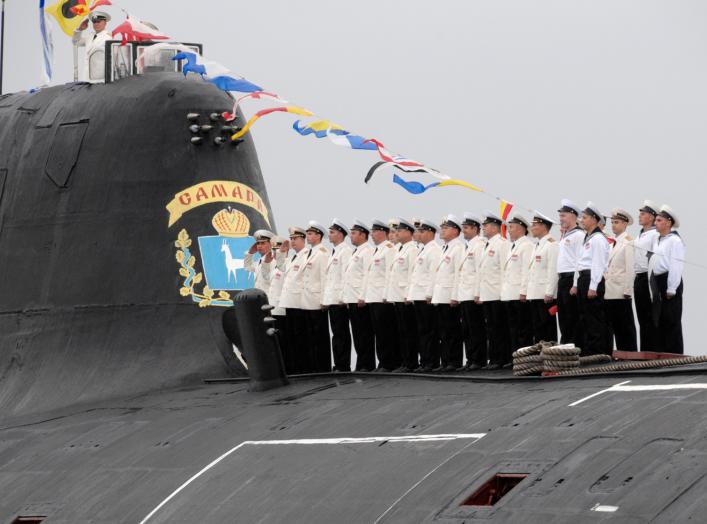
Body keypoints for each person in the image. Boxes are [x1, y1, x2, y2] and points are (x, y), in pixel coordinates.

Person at [407, 219, 443, 371]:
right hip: (419, 295)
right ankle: (425, 360)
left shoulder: (433, 250)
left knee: (429, 331)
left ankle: (431, 362)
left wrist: (429, 295)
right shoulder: (424, 249)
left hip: (425, 297)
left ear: (430, 233)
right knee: (423, 331)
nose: (418, 234)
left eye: (422, 232)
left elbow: (433, 274)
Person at [477, 211, 511, 369]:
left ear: (495, 227)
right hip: (487, 293)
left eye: (486, 225)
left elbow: (505, 270)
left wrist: (503, 292)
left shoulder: (502, 244)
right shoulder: (487, 244)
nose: (483, 228)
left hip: (497, 293)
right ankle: (494, 358)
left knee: (499, 327)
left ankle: (502, 358)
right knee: (491, 328)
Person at [649, 205, 685, 354]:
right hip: (657, 281)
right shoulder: (658, 240)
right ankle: (662, 351)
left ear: (668, 223)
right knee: (659, 318)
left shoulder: (674, 240)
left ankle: (674, 353)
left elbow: (676, 265)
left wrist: (671, 288)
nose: (655, 223)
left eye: (659, 220)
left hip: (669, 280)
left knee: (672, 319)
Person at [576, 203, 611, 356]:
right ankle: (588, 350)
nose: (581, 220)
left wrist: (593, 286)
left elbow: (598, 263)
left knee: (594, 318)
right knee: (584, 317)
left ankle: (597, 351)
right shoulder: (588, 237)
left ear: (594, 219)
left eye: (584, 218)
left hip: (592, 279)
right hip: (584, 278)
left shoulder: (598, 239)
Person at [365, 220, 399, 372]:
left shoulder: (389, 249)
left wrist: (387, 295)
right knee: (379, 332)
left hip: (383, 298)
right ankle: (383, 362)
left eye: (374, 231)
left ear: (382, 232)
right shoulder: (377, 250)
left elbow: (389, 274)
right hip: (373, 296)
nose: (372, 234)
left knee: (387, 332)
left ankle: (389, 362)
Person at [432, 215, 466, 371]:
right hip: (440, 295)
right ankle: (445, 361)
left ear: (455, 231)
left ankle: (454, 361)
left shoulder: (458, 248)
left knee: (452, 331)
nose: (442, 231)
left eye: (446, 228)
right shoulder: (444, 248)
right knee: (443, 332)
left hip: (449, 296)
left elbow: (458, 273)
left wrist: (455, 296)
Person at [386, 218, 419, 372]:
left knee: (409, 331)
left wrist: (408, 295)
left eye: (399, 231)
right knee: (402, 331)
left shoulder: (412, 249)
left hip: (405, 296)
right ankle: (405, 361)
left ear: (408, 232)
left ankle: (411, 362)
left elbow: (413, 273)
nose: (396, 233)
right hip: (397, 295)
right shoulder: (400, 249)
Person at [455, 212, 487, 370]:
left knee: (476, 329)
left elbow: (479, 271)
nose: (464, 231)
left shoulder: (480, 245)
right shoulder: (467, 247)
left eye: (467, 228)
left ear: (475, 229)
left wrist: (478, 293)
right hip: (464, 294)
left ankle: (478, 359)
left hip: (473, 294)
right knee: (467, 330)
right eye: (463, 228)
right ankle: (470, 359)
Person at [342, 220, 375, 371]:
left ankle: (367, 364)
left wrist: (362, 296)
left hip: (360, 299)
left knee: (364, 333)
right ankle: (361, 363)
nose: (351, 236)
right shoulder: (356, 252)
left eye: (354, 233)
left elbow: (367, 275)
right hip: (352, 298)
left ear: (363, 235)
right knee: (357, 333)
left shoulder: (367, 251)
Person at [322, 219, 354, 372]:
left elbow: (345, 276)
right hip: (332, 299)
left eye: (332, 232)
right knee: (336, 333)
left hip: (339, 300)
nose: (329, 235)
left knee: (341, 333)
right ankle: (339, 363)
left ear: (341, 234)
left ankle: (343, 364)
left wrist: (342, 298)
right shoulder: (334, 252)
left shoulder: (345, 251)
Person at [300, 221, 331, 372]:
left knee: (320, 335)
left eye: (311, 234)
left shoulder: (323, 253)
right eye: (307, 234)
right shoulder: (308, 253)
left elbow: (325, 278)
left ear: (319, 236)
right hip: (306, 299)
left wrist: (324, 300)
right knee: (310, 335)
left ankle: (323, 366)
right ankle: (313, 365)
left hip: (316, 299)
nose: (308, 237)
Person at [604, 209, 638, 351]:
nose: (613, 225)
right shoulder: (613, 243)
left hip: (620, 290)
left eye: (617, 222)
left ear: (625, 224)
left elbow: (631, 269)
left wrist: (628, 290)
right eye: (612, 222)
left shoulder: (628, 242)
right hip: (609, 290)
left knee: (624, 327)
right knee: (611, 325)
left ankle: (629, 353)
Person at [501, 214, 534, 354]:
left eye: (512, 227)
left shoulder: (526, 246)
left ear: (521, 229)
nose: (509, 230)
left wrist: (524, 291)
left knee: (523, 328)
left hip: (519, 294)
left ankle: (524, 357)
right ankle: (515, 356)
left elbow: (527, 270)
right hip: (509, 293)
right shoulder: (512, 246)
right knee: (512, 328)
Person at [277, 227, 308, 373]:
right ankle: (296, 366)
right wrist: (282, 252)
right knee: (293, 337)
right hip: (289, 302)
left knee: (301, 336)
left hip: (299, 302)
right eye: (291, 239)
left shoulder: (307, 255)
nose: (292, 241)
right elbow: (281, 267)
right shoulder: (292, 258)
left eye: (295, 239)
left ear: (303, 239)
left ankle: (303, 365)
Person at [526, 212, 560, 344]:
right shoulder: (537, 245)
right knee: (537, 328)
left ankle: (550, 356)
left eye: (534, 225)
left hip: (545, 295)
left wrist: (549, 292)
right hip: (534, 293)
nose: (532, 228)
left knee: (547, 328)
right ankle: (540, 358)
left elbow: (553, 270)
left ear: (543, 226)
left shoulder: (552, 244)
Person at [556, 199, 583, 345]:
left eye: (563, 216)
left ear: (573, 216)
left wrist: (575, 283)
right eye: (560, 216)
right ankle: (565, 345)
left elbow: (579, 261)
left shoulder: (578, 235)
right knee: (564, 317)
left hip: (571, 278)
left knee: (572, 316)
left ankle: (573, 346)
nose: (561, 219)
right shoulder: (566, 235)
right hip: (562, 278)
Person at [634, 200, 660, 350]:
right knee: (642, 316)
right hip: (638, 277)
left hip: (648, 276)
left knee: (650, 316)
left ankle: (653, 348)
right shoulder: (640, 235)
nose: (640, 216)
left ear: (651, 217)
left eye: (643, 214)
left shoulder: (654, 235)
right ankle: (645, 348)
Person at [73, 11, 112, 83]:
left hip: (100, 79)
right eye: (94, 22)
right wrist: (80, 29)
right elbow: (76, 42)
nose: (96, 24)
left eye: (99, 21)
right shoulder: (90, 36)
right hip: (87, 77)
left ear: (105, 23)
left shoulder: (108, 38)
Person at [268, 236, 288, 359]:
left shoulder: (287, 266)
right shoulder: (272, 267)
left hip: (282, 309)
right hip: (272, 309)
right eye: (273, 250)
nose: (275, 253)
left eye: (277, 250)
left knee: (284, 341)